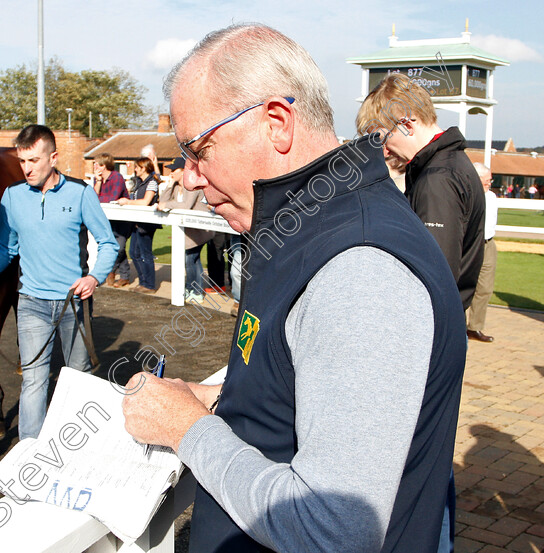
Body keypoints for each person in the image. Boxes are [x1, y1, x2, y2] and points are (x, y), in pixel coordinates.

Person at [121, 23, 467, 553]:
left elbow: (335, 528)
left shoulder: (360, 266)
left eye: (198, 149)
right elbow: (307, 387)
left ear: (276, 123)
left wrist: (187, 430)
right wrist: (220, 400)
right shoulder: (306, 224)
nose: (188, 177)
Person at [357, 73, 485, 553]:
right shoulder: (446, 166)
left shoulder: (435, 178)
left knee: (424, 465)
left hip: (430, 341)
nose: (384, 148)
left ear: (406, 123)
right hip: (444, 333)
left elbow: (433, 279)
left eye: (385, 135)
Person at [0, 124, 118, 440]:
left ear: (53, 158)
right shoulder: (12, 198)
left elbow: (108, 243)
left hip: (74, 303)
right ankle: (29, 452)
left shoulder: (81, 193)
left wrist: (94, 277)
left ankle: (75, 448)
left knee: (78, 380)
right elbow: (6, 249)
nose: (27, 169)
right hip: (32, 303)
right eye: (22, 161)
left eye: (34, 160)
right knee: (33, 381)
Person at [156, 156, 213, 303]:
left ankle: (196, 291)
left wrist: (168, 205)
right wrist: (170, 184)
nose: (171, 172)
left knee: (191, 259)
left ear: (183, 171)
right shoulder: (175, 186)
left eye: (174, 170)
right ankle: (191, 289)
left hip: (200, 230)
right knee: (191, 259)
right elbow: (161, 201)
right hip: (187, 230)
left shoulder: (192, 186)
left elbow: (186, 205)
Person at [118, 157, 159, 293]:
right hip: (136, 222)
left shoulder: (152, 183)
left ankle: (150, 285)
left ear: (143, 168)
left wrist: (128, 202)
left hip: (146, 223)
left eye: (137, 167)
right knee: (134, 253)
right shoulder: (139, 182)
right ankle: (143, 282)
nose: (135, 169)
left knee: (145, 253)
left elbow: (146, 201)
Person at [466, 163, 498, 342]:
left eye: (490, 180)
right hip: (471, 244)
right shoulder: (468, 195)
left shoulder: (492, 197)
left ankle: (475, 327)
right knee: (462, 284)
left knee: (485, 288)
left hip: (489, 243)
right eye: (487, 180)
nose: (489, 183)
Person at [93, 153, 131, 287]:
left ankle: (112, 271)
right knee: (116, 247)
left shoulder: (117, 177)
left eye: (97, 164)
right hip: (107, 219)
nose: (94, 166)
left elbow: (112, 197)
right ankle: (125, 276)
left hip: (123, 220)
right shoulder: (98, 179)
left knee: (119, 247)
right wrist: (97, 182)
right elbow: (92, 197)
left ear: (104, 166)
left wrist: (98, 198)